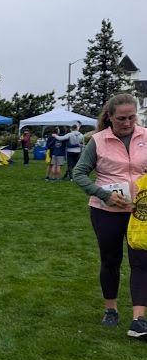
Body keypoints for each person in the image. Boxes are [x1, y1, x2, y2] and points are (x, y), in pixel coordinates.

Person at [72, 92, 147, 339]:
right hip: (106, 211)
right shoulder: (98, 141)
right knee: (111, 260)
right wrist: (103, 194)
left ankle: (138, 319)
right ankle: (111, 309)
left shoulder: (145, 136)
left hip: (140, 211)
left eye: (132, 118)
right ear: (110, 118)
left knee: (141, 261)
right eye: (121, 119)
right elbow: (79, 173)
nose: (127, 123)